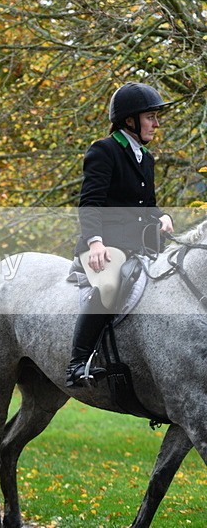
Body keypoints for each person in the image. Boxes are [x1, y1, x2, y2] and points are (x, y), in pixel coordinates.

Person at [65, 82, 174, 388]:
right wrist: (95, 242)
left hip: (136, 247)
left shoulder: (145, 157)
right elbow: (90, 202)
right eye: (150, 117)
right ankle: (77, 362)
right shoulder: (105, 150)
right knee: (111, 282)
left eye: (156, 117)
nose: (156, 123)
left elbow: (145, 206)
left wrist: (163, 216)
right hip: (100, 246)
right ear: (130, 121)